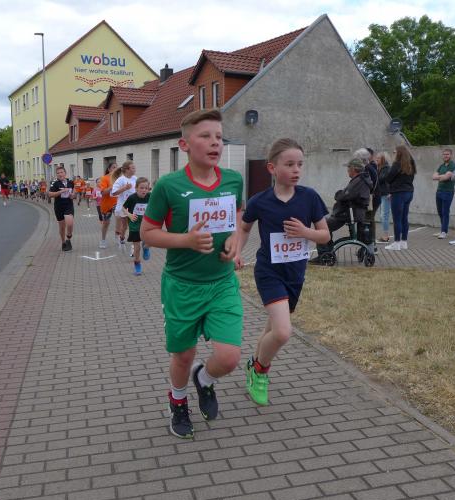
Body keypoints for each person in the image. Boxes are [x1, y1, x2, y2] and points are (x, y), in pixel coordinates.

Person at [141, 109, 244, 439]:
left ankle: (205, 379)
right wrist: (185, 240)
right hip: (182, 286)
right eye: (206, 136)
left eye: (219, 137)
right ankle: (178, 400)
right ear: (184, 144)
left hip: (222, 283)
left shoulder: (233, 180)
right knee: (183, 355)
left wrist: (236, 242)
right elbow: (147, 233)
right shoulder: (168, 186)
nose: (215, 143)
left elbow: (238, 216)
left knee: (229, 357)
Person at [234, 138, 330, 406]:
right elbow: (244, 228)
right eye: (289, 164)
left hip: (295, 274)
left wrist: (305, 232)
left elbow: (324, 235)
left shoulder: (309, 197)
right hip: (269, 272)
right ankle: (260, 371)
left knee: (273, 327)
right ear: (272, 168)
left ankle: (253, 363)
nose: (296, 169)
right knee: (283, 332)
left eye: (300, 164)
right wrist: (237, 252)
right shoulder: (260, 201)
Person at [314, 158, 371, 259]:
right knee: (324, 224)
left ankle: (324, 255)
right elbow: (346, 195)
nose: (347, 170)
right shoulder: (360, 180)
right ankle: (327, 251)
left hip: (348, 214)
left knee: (321, 226)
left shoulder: (359, 181)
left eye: (348, 168)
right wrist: (341, 194)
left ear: (354, 169)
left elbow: (344, 196)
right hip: (348, 212)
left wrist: (339, 194)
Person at [384, 146, 417, 251]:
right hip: (409, 192)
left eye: (394, 152)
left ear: (399, 153)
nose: (393, 154)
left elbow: (388, 178)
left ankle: (397, 243)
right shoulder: (411, 164)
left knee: (397, 219)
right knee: (404, 218)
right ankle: (404, 242)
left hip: (398, 193)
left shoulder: (397, 164)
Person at [122, 177, 152, 275]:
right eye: (141, 188)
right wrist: (129, 215)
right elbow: (123, 208)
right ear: (136, 188)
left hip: (146, 223)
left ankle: (146, 247)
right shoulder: (132, 198)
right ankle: (137, 264)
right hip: (134, 224)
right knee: (137, 247)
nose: (144, 190)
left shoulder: (150, 196)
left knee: (149, 241)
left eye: (146, 188)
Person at [112, 161, 138, 252]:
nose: (135, 169)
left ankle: (134, 242)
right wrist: (124, 188)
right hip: (123, 207)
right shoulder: (121, 180)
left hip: (134, 206)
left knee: (134, 225)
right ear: (127, 170)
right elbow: (113, 193)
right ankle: (122, 237)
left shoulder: (135, 178)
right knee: (125, 226)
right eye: (133, 168)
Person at [48, 166, 76, 251]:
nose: (60, 174)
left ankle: (68, 238)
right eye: (58, 173)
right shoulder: (55, 183)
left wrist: (72, 195)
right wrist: (61, 191)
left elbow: (74, 193)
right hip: (59, 207)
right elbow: (50, 194)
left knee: (70, 222)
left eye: (61, 172)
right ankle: (63, 242)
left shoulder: (70, 182)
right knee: (62, 226)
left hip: (68, 205)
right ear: (56, 175)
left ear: (65, 173)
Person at [433, 149, 455, 239]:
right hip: (439, 191)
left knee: (445, 212)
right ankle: (442, 229)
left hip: (448, 191)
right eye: (444, 154)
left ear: (451, 155)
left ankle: (444, 232)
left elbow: (446, 178)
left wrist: (440, 177)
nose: (445, 156)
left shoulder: (453, 165)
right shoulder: (441, 166)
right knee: (440, 211)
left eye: (447, 154)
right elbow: (433, 177)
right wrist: (442, 176)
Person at [98, 162, 119, 248]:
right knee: (106, 223)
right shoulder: (104, 178)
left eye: (116, 167)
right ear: (109, 169)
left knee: (119, 219)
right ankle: (103, 240)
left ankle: (117, 236)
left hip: (117, 203)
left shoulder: (119, 178)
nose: (115, 169)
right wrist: (112, 186)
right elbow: (103, 192)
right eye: (114, 167)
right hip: (106, 204)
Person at [374, 152, 391, 243]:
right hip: (381, 194)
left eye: (378, 158)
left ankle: (386, 237)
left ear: (383, 159)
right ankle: (385, 235)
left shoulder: (386, 168)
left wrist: (390, 192)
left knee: (384, 215)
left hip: (386, 194)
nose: (376, 159)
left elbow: (380, 179)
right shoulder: (379, 168)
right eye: (376, 158)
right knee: (382, 216)